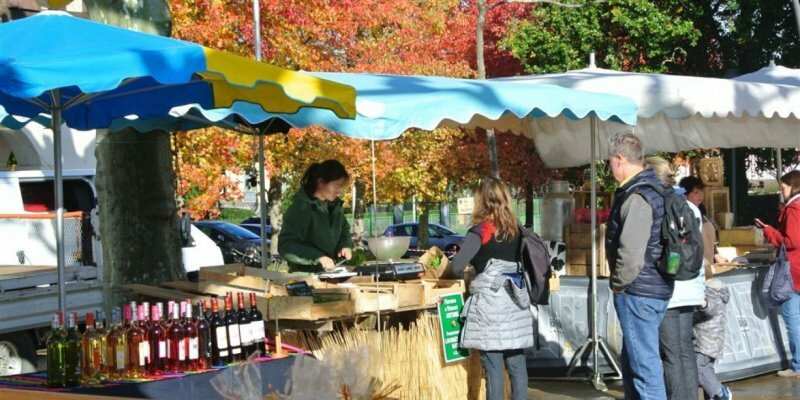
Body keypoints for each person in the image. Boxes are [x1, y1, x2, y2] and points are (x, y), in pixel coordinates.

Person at [450, 177, 531, 400]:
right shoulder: (517, 229)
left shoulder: (482, 231)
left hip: (490, 307)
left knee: (494, 365)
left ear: (481, 202)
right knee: (516, 363)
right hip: (516, 302)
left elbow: (456, 267)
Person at [606, 134, 673, 400]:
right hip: (654, 286)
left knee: (645, 369)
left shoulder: (637, 196)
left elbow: (631, 254)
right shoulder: (654, 189)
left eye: (610, 161)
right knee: (636, 363)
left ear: (620, 160)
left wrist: (618, 285)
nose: (609, 167)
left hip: (638, 291)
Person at [646, 157, 705, 400]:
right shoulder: (688, 206)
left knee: (671, 353)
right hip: (691, 284)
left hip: (669, 286)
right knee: (685, 351)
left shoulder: (657, 203)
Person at [755, 170, 800, 378]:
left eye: (783, 187)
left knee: (793, 319)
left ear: (794, 186)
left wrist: (769, 231)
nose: (781, 192)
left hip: (793, 271)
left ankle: (798, 365)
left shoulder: (793, 209)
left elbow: (791, 241)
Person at [278, 160, 353, 273]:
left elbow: (344, 231)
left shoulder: (335, 207)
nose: (339, 192)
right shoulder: (301, 208)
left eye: (341, 187)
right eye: (336, 186)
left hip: (330, 274)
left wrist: (345, 245)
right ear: (321, 182)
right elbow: (286, 246)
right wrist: (317, 257)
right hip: (304, 276)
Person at [694, 279, 733, 400]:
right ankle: (712, 395)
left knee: (698, 368)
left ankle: (720, 393)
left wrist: (702, 303)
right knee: (707, 368)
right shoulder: (719, 292)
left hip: (704, 341)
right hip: (713, 340)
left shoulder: (709, 293)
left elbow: (709, 309)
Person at [680, 176, 728, 270]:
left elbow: (710, 243)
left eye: (701, 191)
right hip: (693, 271)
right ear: (685, 195)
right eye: (696, 192)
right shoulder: (681, 216)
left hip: (708, 269)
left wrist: (717, 255)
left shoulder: (702, 212)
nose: (700, 195)